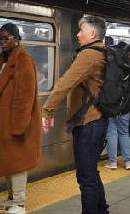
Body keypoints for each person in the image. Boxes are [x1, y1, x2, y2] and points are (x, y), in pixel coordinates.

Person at [41, 16, 110, 214]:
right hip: (98, 120)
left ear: (92, 34)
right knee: (91, 173)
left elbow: (65, 83)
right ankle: (101, 210)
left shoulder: (89, 54)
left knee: (86, 178)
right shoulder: (103, 51)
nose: (78, 34)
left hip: (89, 122)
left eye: (81, 30)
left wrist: (47, 109)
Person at [0, 23, 41, 214]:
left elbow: (24, 96)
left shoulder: (23, 59)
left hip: (17, 121)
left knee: (17, 162)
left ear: (16, 38)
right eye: (0, 38)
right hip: (2, 122)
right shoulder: (2, 59)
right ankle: (11, 199)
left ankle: (19, 202)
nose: (2, 42)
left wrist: (18, 126)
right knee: (8, 161)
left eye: (6, 38)